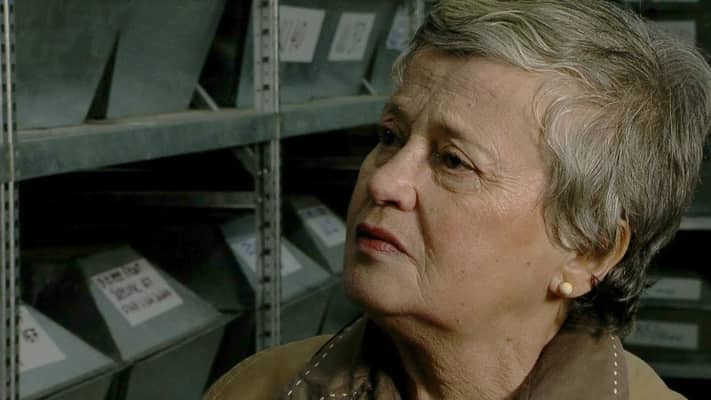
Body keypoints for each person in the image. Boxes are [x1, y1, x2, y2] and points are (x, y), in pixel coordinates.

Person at [205, 1, 711, 399]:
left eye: (453, 161)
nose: (385, 183)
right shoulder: (255, 389)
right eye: (390, 136)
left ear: (588, 250)